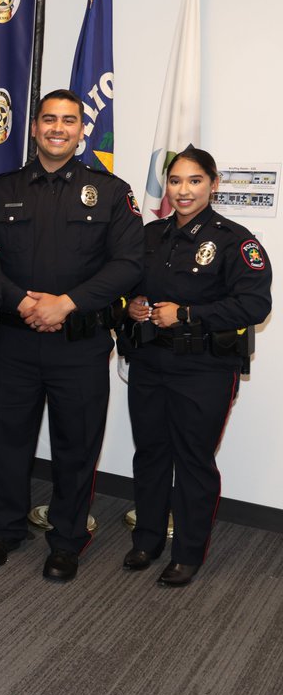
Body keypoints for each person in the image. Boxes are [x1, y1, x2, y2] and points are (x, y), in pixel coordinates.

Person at [0, 89, 143, 582]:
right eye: (49, 119)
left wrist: (66, 304)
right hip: (15, 339)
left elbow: (129, 264)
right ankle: (5, 529)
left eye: (69, 121)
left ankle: (68, 538)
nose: (58, 128)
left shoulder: (111, 192)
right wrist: (24, 302)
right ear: (34, 127)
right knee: (10, 440)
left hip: (80, 342)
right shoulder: (0, 190)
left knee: (75, 445)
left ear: (81, 130)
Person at [122, 147, 271, 586]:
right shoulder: (150, 237)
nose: (183, 191)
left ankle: (187, 552)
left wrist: (187, 314)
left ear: (213, 184)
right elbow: (129, 289)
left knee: (192, 461)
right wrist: (130, 307)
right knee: (150, 454)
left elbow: (256, 304)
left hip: (204, 368)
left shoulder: (235, 240)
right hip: (150, 361)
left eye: (194, 181)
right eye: (175, 181)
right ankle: (147, 539)